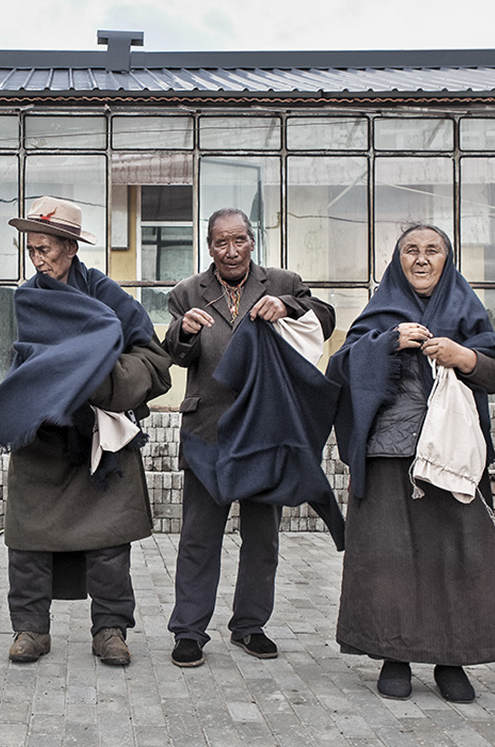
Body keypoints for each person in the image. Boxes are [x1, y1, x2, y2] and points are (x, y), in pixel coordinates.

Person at [0, 196, 172, 667]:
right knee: (28, 541)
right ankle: (31, 630)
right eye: (32, 250)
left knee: (109, 543)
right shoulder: (27, 296)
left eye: (47, 250)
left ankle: (111, 630)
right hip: (42, 436)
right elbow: (20, 361)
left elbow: (157, 365)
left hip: (99, 438)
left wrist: (104, 380)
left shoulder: (109, 297)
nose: (38, 259)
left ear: (71, 248)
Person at [327, 224, 495, 703]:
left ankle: (452, 659)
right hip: (389, 455)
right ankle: (394, 656)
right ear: (398, 260)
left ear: (447, 259)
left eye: (433, 250)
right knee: (389, 558)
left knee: (456, 556)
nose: (421, 258)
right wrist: (387, 342)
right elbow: (341, 368)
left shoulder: (466, 308)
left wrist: (464, 356)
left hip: (452, 458)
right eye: (411, 250)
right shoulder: (381, 311)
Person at [162, 208, 336, 667]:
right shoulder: (186, 293)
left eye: (239, 240)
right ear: (209, 246)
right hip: (208, 430)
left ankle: (250, 626)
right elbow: (173, 354)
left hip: (265, 429)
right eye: (221, 242)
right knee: (199, 536)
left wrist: (290, 306)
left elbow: (326, 317)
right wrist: (183, 332)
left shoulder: (282, 282)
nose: (232, 250)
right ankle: (189, 631)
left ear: (252, 240)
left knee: (263, 535)